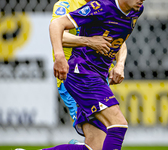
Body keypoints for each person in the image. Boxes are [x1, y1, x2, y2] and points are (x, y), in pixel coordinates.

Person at [47, 0, 145, 149]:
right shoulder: (69, 5)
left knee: (96, 146)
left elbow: (118, 40)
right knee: (117, 124)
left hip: (96, 76)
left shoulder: (130, 9)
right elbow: (57, 30)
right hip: (74, 73)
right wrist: (87, 42)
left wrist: (119, 64)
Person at [51, 0, 127, 128]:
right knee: (104, 134)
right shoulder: (65, 5)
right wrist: (90, 41)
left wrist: (120, 64)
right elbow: (60, 35)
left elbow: (120, 41)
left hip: (98, 78)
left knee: (100, 139)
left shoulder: (106, 5)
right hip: (74, 77)